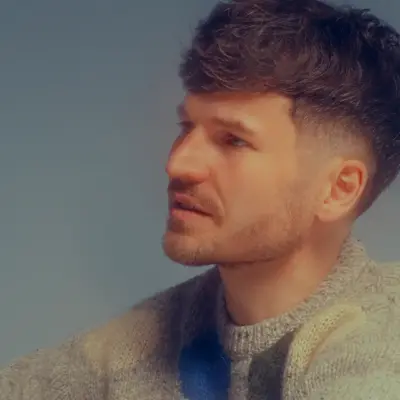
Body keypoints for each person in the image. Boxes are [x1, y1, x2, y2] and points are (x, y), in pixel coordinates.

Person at [2, 0, 400, 398]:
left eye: (234, 140)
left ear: (339, 189)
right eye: (186, 126)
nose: (178, 163)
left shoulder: (379, 352)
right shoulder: (144, 343)